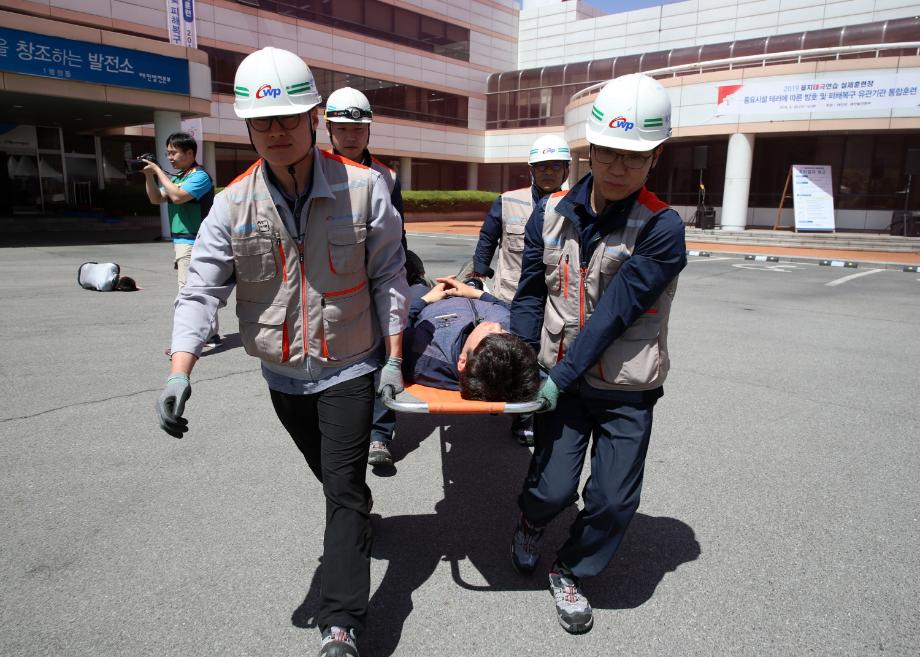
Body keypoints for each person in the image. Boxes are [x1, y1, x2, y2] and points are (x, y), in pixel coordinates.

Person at [153, 47, 409, 657]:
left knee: (342, 487)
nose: (276, 132)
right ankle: (356, 521)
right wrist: (179, 372)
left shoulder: (364, 188)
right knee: (333, 478)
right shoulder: (231, 204)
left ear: (313, 118)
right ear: (248, 127)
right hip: (283, 376)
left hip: (350, 364)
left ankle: (340, 622)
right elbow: (200, 291)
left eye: (289, 118)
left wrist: (395, 357)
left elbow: (390, 276)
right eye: (262, 122)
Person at [508, 73, 687, 635]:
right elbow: (531, 293)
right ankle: (532, 522)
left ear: (655, 157)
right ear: (590, 146)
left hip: (625, 388)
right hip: (559, 379)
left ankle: (570, 569)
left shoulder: (662, 227)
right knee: (551, 489)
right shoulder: (549, 211)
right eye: (608, 152)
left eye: (633, 157)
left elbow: (616, 312)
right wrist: (521, 358)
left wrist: (558, 375)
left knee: (612, 501)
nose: (617, 167)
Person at [323, 86, 422, 466]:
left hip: (377, 277)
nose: (350, 136)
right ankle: (343, 428)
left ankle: (380, 434)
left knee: (384, 353)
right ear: (329, 129)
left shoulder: (387, 175)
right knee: (342, 358)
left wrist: (405, 269)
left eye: (358, 129)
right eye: (342, 129)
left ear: (368, 130)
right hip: (331, 281)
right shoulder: (314, 169)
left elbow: (397, 231)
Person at [469, 134, 571, 446]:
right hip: (509, 297)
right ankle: (503, 397)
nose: (548, 172)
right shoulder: (508, 201)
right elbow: (488, 238)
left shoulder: (576, 205)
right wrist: (478, 273)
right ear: (531, 169)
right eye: (542, 166)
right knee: (508, 356)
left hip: (556, 300)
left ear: (567, 170)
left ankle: (525, 416)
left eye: (555, 166)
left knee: (544, 358)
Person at [401, 276, 539, 401]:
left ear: (462, 361)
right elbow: (513, 311)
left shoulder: (426, 355)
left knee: (416, 286)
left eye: (491, 335)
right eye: (504, 332)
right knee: (471, 280)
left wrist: (425, 299)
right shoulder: (514, 353)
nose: (497, 326)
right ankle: (472, 281)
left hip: (432, 301)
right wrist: (477, 294)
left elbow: (400, 324)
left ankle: (422, 279)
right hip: (474, 295)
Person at [142, 131, 220, 346]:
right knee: (199, 290)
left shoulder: (199, 176)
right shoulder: (178, 177)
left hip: (194, 241)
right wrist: (149, 176)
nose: (170, 158)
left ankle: (189, 342)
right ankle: (210, 334)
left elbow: (177, 196)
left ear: (190, 153)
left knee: (187, 293)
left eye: (173, 153)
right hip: (183, 242)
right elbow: (156, 198)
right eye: (167, 153)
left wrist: (158, 171)